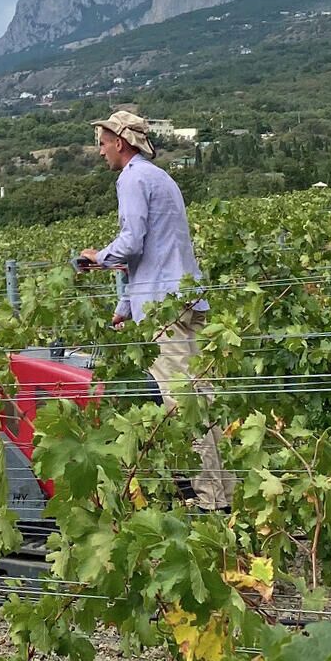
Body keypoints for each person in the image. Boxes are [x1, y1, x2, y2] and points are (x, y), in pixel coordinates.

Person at [80, 110, 231, 510]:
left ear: (121, 142)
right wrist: (126, 306)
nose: (100, 152)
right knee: (202, 396)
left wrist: (97, 258)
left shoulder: (131, 178)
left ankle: (210, 501)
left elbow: (131, 243)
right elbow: (156, 250)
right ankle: (224, 491)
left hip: (166, 308)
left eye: (102, 143)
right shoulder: (160, 177)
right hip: (183, 297)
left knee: (180, 402)